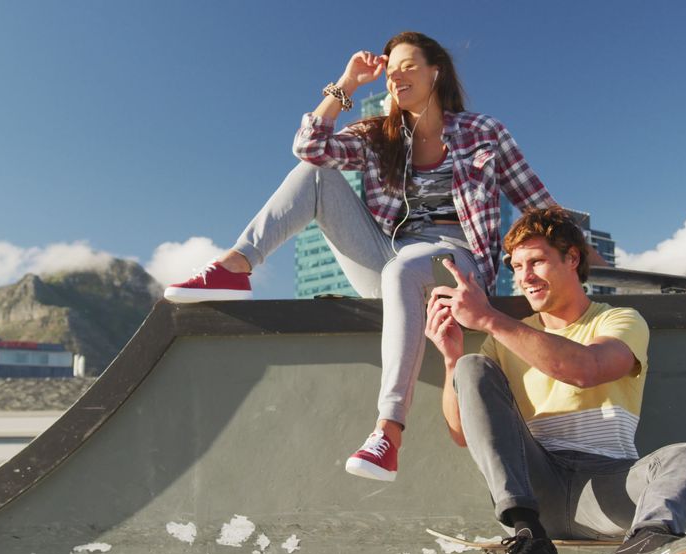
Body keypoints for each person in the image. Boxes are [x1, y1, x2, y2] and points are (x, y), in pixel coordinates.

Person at [163, 32, 586, 482]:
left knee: (405, 267)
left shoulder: (483, 133)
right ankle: (236, 266)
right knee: (316, 175)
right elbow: (310, 148)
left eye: (407, 66)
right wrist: (346, 83)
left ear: (434, 72)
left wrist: (581, 256)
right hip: (388, 260)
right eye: (391, 72)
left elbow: (538, 203)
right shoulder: (377, 135)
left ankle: (388, 431)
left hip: (455, 262)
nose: (395, 77)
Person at [425, 207, 686, 554]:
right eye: (517, 266)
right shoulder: (502, 340)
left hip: (608, 490)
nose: (525, 276)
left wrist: (489, 318)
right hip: (535, 489)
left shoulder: (618, 319)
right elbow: (464, 433)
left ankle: (646, 547)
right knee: (470, 365)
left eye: (537, 262)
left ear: (572, 257)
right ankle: (529, 541)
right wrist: (451, 360)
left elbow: (586, 369)